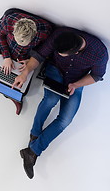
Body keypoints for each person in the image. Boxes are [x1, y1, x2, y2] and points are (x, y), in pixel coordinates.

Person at [12, 27, 108, 178]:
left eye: (62, 54)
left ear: (75, 52)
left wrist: (76, 85)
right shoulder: (61, 35)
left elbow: (96, 76)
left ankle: (32, 151)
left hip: (77, 80)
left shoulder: (99, 52)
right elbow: (39, 55)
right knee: (51, 99)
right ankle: (34, 134)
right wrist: (25, 72)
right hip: (56, 70)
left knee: (66, 120)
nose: (58, 54)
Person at [0, 8, 53, 114]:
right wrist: (6, 57)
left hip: (25, 57)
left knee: (22, 92)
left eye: (24, 42)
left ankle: (11, 95)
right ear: (14, 30)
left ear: (34, 35)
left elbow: (43, 50)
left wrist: (30, 60)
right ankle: (7, 91)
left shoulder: (45, 32)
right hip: (6, 49)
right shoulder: (9, 21)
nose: (20, 44)